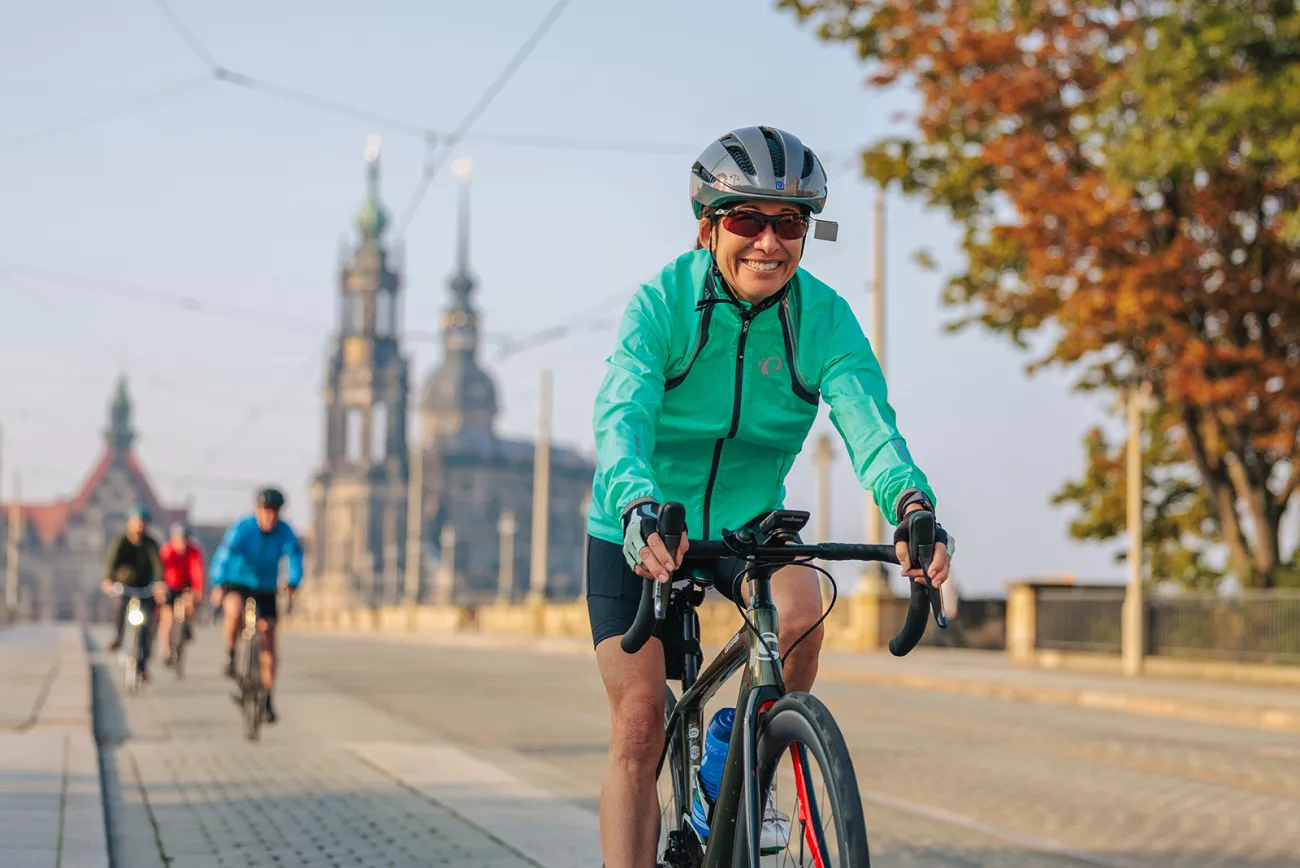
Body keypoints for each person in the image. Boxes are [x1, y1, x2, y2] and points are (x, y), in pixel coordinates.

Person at [585, 126, 955, 866]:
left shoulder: (823, 320)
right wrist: (636, 504)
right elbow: (621, 416)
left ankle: (733, 770)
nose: (768, 242)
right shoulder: (662, 303)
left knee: (801, 615)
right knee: (638, 727)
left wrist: (912, 508)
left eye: (789, 224)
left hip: (749, 521)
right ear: (707, 228)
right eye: (747, 220)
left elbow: (869, 428)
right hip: (646, 522)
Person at [208, 487, 303, 724]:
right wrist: (219, 583)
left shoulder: (285, 532)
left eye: (275, 511)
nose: (270, 516)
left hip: (266, 588)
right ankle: (230, 654)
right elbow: (224, 554)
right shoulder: (243, 528)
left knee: (268, 637)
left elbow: (295, 557)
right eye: (266, 510)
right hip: (237, 581)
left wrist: (292, 583)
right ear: (257, 510)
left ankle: (268, 697)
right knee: (235, 612)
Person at [101, 506, 164, 678]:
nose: (139, 527)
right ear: (129, 524)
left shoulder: (151, 544)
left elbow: (158, 565)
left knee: (146, 623)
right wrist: (108, 580)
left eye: (142, 523)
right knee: (121, 606)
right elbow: (112, 561)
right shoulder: (121, 541)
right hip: (125, 585)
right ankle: (118, 637)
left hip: (144, 587)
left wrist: (160, 584)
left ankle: (143, 664)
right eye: (136, 523)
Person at [158, 522, 205, 666]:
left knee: (190, 602)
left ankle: (188, 626)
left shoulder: (194, 551)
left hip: (186, 586)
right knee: (167, 617)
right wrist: (160, 587)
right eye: (179, 540)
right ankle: (167, 651)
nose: (182, 544)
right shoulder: (166, 551)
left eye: (185, 540)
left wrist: (198, 591)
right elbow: (159, 570)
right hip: (169, 586)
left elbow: (197, 572)